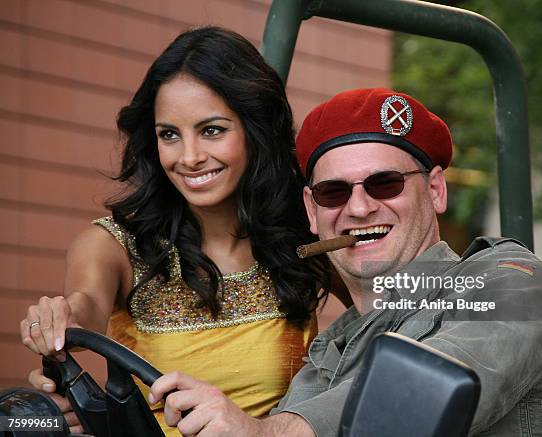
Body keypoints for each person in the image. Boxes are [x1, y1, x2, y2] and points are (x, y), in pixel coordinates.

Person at [148, 88, 542, 436]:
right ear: (313, 213)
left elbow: (428, 393)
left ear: (434, 191)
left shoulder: (511, 281)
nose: (358, 209)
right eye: (333, 192)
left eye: (385, 184)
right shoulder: (327, 353)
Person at [19, 26, 331, 435]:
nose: (189, 157)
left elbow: (387, 314)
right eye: (170, 134)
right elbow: (85, 308)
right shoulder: (113, 245)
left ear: (256, 129)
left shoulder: (305, 235)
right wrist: (58, 321)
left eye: (212, 130)